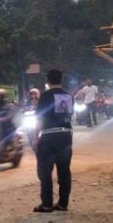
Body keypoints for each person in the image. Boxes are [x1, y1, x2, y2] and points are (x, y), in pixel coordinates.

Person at [33, 68, 74, 213]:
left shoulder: (45, 96)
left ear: (47, 81)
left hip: (49, 137)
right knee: (64, 172)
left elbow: (40, 118)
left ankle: (47, 204)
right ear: (61, 80)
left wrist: (35, 137)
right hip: (66, 137)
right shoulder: (69, 96)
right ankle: (63, 203)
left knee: (45, 172)